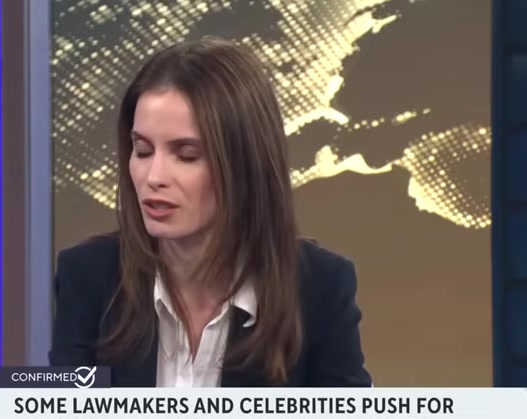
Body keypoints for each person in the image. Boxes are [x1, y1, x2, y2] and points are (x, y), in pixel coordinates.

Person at [49, 36, 372, 388]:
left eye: (186, 155)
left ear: (245, 163)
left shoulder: (319, 288)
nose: (154, 177)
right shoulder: (88, 277)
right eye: (142, 151)